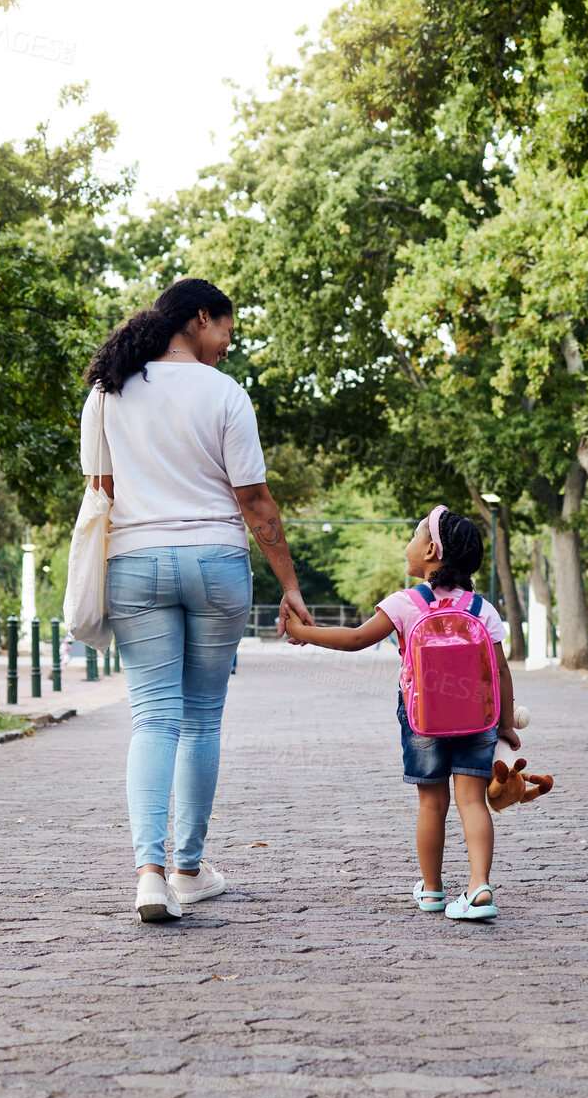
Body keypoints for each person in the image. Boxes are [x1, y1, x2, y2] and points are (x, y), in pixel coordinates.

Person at [83, 278, 314, 923]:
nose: (227, 348)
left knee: (153, 719)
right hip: (215, 563)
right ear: (201, 319)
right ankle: (188, 868)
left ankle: (149, 875)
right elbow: (255, 502)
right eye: (226, 334)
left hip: (135, 563)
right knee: (202, 720)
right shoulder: (225, 395)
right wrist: (289, 587)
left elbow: (100, 486)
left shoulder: (107, 391)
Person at [282, 505, 520, 920]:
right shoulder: (482, 609)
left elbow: (355, 639)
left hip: (423, 721)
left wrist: (303, 633)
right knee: (473, 802)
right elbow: (499, 670)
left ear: (431, 551)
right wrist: (504, 721)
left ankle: (431, 890)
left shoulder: (407, 604)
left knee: (432, 804)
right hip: (477, 718)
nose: (407, 545)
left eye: (413, 537)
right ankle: (479, 886)